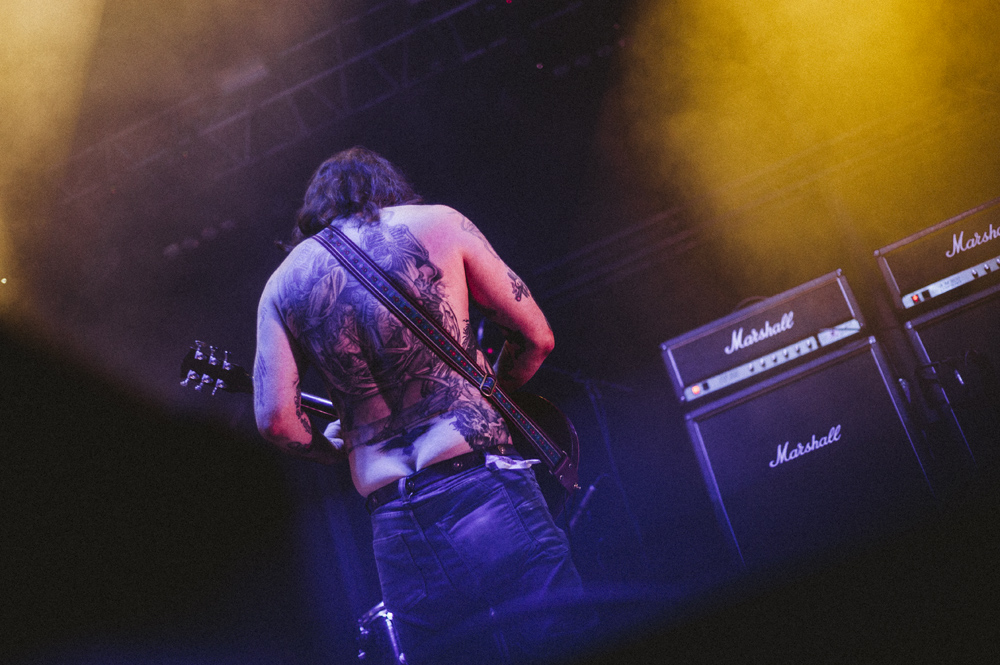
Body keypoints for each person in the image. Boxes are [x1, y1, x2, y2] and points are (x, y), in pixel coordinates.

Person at [253, 147, 584, 663]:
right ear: (387, 189)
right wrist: (488, 392)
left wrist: (331, 449)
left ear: (315, 213)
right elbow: (536, 337)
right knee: (561, 643)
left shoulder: (281, 286)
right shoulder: (439, 224)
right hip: (480, 483)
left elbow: (276, 421)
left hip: (394, 520)